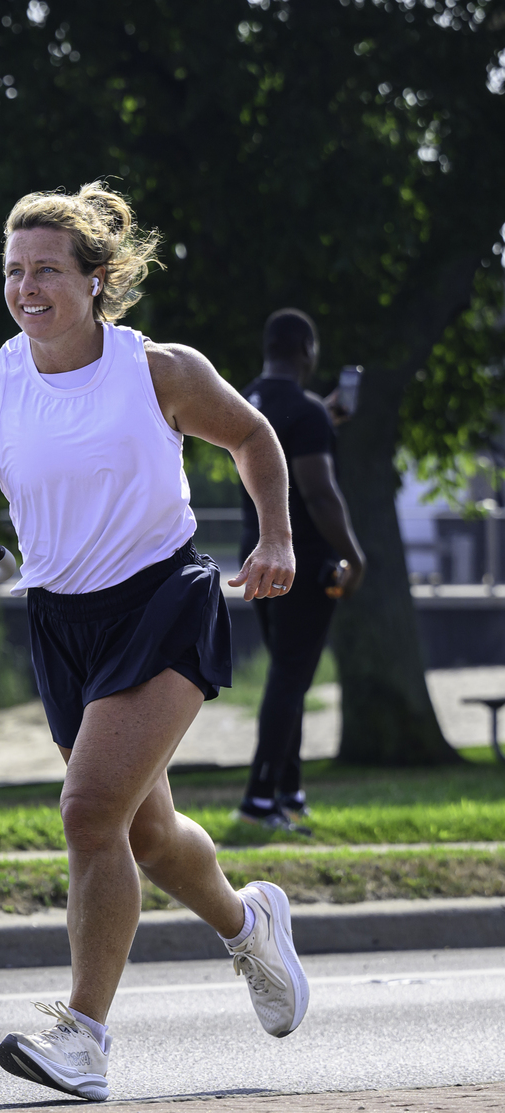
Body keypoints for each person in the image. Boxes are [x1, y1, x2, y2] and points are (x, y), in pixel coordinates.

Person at [0, 182, 309, 1102]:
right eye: (13, 271)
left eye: (45, 270)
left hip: (162, 602)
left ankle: (84, 1036)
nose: (27, 288)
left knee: (87, 813)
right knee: (146, 831)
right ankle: (250, 925)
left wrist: (274, 535)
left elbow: (254, 436)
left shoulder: (158, 371)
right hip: (64, 623)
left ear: (98, 278)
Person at [236, 309, 366, 830]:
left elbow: (280, 445)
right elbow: (317, 491)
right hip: (302, 563)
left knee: (286, 676)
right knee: (290, 680)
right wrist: (355, 556)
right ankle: (258, 799)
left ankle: (287, 791)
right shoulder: (307, 413)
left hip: (255, 555)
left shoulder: (247, 399)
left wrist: (322, 417)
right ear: (307, 351)